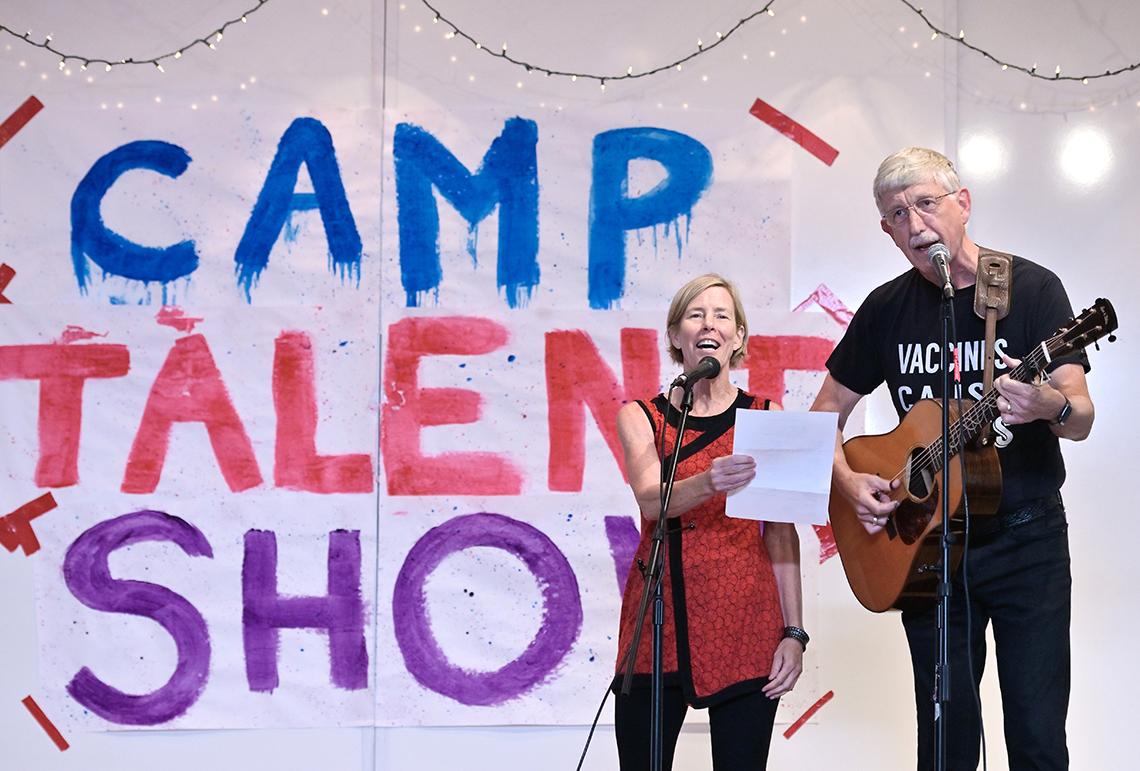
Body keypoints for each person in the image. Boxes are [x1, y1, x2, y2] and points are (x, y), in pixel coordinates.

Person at [811, 147, 1094, 769]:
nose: (914, 223)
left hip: (1027, 542)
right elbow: (821, 416)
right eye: (897, 214)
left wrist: (1044, 403)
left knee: (1038, 732)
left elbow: (1080, 415)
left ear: (962, 204)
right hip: (928, 551)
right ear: (886, 230)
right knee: (943, 740)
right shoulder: (886, 309)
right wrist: (849, 480)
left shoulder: (1033, 288)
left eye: (926, 203)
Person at [611, 273, 806, 771]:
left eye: (722, 315)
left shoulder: (766, 414)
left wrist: (794, 632)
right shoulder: (641, 416)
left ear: (738, 336)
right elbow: (652, 501)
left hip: (745, 625)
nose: (709, 324)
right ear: (676, 334)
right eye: (695, 314)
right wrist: (708, 483)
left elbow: (782, 534)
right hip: (657, 625)